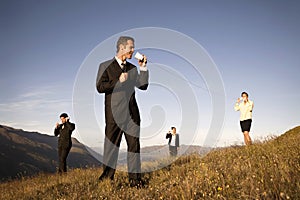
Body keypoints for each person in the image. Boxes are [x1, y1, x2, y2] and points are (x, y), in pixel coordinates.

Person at [96, 36, 149, 187]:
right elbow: (100, 87)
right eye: (131, 47)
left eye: (133, 47)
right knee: (111, 148)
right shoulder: (105, 66)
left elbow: (143, 86)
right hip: (114, 115)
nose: (133, 50)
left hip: (132, 116)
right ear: (121, 48)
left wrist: (143, 68)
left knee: (134, 148)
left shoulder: (132, 68)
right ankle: (107, 179)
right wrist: (118, 81)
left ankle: (135, 181)